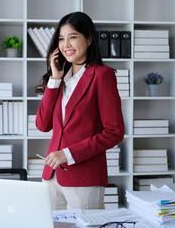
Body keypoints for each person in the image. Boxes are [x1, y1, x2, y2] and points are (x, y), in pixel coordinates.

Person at [35, 11, 125, 210]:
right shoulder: (60, 78)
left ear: (89, 39)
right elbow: (42, 125)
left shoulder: (102, 76)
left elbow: (114, 132)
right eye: (61, 39)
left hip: (85, 178)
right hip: (51, 175)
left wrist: (67, 154)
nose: (66, 44)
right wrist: (54, 80)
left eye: (73, 37)